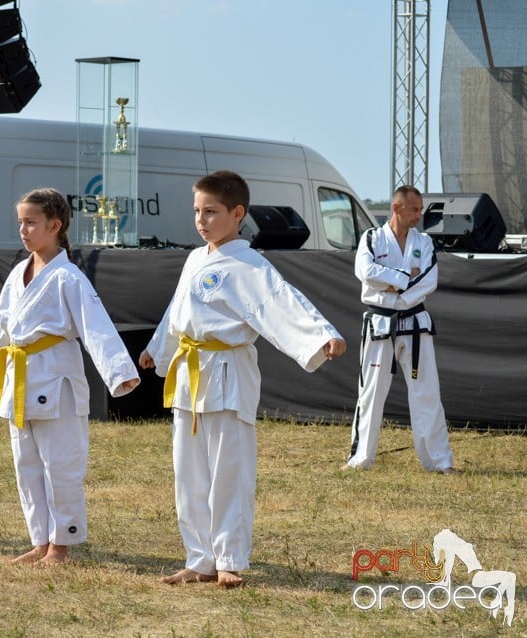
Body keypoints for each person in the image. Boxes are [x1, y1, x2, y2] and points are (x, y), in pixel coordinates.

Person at [139, 171, 346, 587]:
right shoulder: (197, 258)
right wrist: (157, 348)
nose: (201, 220)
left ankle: (229, 557)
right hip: (189, 372)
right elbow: (178, 312)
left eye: (211, 212)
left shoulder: (250, 263)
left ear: (237, 214)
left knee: (228, 470)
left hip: (228, 373)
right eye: (197, 211)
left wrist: (321, 334)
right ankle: (199, 558)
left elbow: (280, 302)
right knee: (189, 470)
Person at [0, 187, 140, 566]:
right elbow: (1, 320)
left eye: (31, 222)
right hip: (20, 378)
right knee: (26, 463)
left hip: (56, 380)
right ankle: (40, 539)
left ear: (55, 225)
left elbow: (95, 327)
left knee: (59, 464)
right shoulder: (19, 272)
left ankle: (61, 544)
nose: (23, 230)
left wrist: (119, 373)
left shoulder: (69, 277)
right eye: (20, 223)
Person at [344, 185, 454, 473]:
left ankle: (439, 462)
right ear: (396, 208)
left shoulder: (425, 242)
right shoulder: (372, 239)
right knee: (370, 392)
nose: (419, 214)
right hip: (380, 324)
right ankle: (360, 460)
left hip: (415, 324)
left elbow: (429, 279)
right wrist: (407, 277)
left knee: (427, 393)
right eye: (414, 209)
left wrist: (392, 288)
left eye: (420, 209)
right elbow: (365, 273)